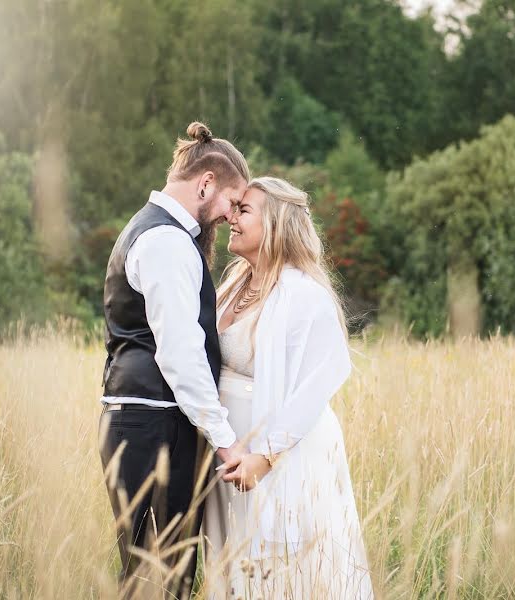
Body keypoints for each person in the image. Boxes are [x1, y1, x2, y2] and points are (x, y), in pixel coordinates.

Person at [202, 177, 374, 599]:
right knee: (235, 569)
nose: (231, 219)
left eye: (244, 211)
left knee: (286, 572)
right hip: (230, 455)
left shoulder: (304, 294)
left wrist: (266, 455)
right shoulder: (231, 287)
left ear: (276, 225)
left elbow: (321, 382)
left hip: (281, 457)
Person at [98, 122, 251, 598]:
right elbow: (181, 357)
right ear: (205, 183)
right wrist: (226, 442)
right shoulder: (166, 242)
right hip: (155, 427)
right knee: (162, 578)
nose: (230, 215)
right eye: (231, 201)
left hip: (143, 422)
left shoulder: (151, 229)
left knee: (156, 573)